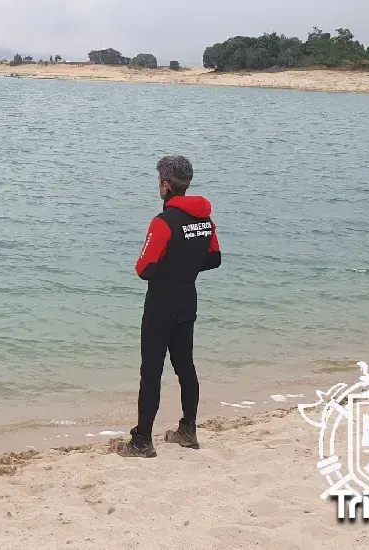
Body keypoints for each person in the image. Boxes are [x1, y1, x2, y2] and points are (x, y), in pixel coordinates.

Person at [116, 156, 221, 458]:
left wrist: (169, 267)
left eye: (158, 183)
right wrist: (185, 267)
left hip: (161, 304)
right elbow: (214, 259)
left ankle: (142, 441)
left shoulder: (162, 223)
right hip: (187, 301)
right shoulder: (205, 220)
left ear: (165, 185)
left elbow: (143, 269)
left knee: (151, 372)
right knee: (185, 367)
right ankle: (188, 430)